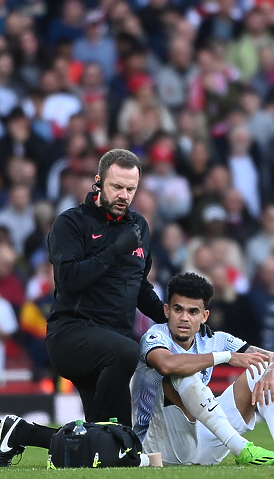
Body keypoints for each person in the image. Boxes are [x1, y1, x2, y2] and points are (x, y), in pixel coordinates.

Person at [0, 273, 274, 467]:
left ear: (204, 316)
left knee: (260, 370)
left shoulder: (218, 338)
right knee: (183, 376)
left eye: (193, 311)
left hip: (204, 437)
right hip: (159, 442)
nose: (184, 317)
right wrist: (226, 358)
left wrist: (272, 369)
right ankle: (242, 450)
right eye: (177, 309)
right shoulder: (155, 335)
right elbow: (166, 364)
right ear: (166, 310)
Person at [44, 149, 173, 430]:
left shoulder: (138, 226)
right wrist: (116, 250)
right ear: (99, 182)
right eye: (116, 187)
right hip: (72, 334)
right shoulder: (70, 223)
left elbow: (140, 286)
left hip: (113, 342)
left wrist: (171, 316)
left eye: (130, 189)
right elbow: (69, 279)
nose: (124, 195)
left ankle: (22, 432)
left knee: (115, 440)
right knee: (129, 352)